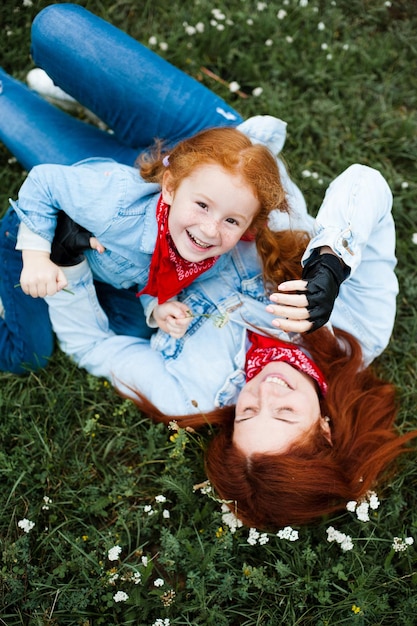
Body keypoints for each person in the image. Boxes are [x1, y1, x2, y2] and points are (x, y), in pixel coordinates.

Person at [1, 5, 415, 530]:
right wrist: (329, 262)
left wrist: (67, 262)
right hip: (220, 155)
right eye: (285, 414)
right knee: (56, 30)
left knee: (4, 108)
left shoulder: (190, 393)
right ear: (328, 430)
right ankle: (81, 97)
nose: (263, 393)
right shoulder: (359, 331)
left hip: (129, 214)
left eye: (247, 415)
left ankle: (73, 118)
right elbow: (365, 183)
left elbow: (95, 346)